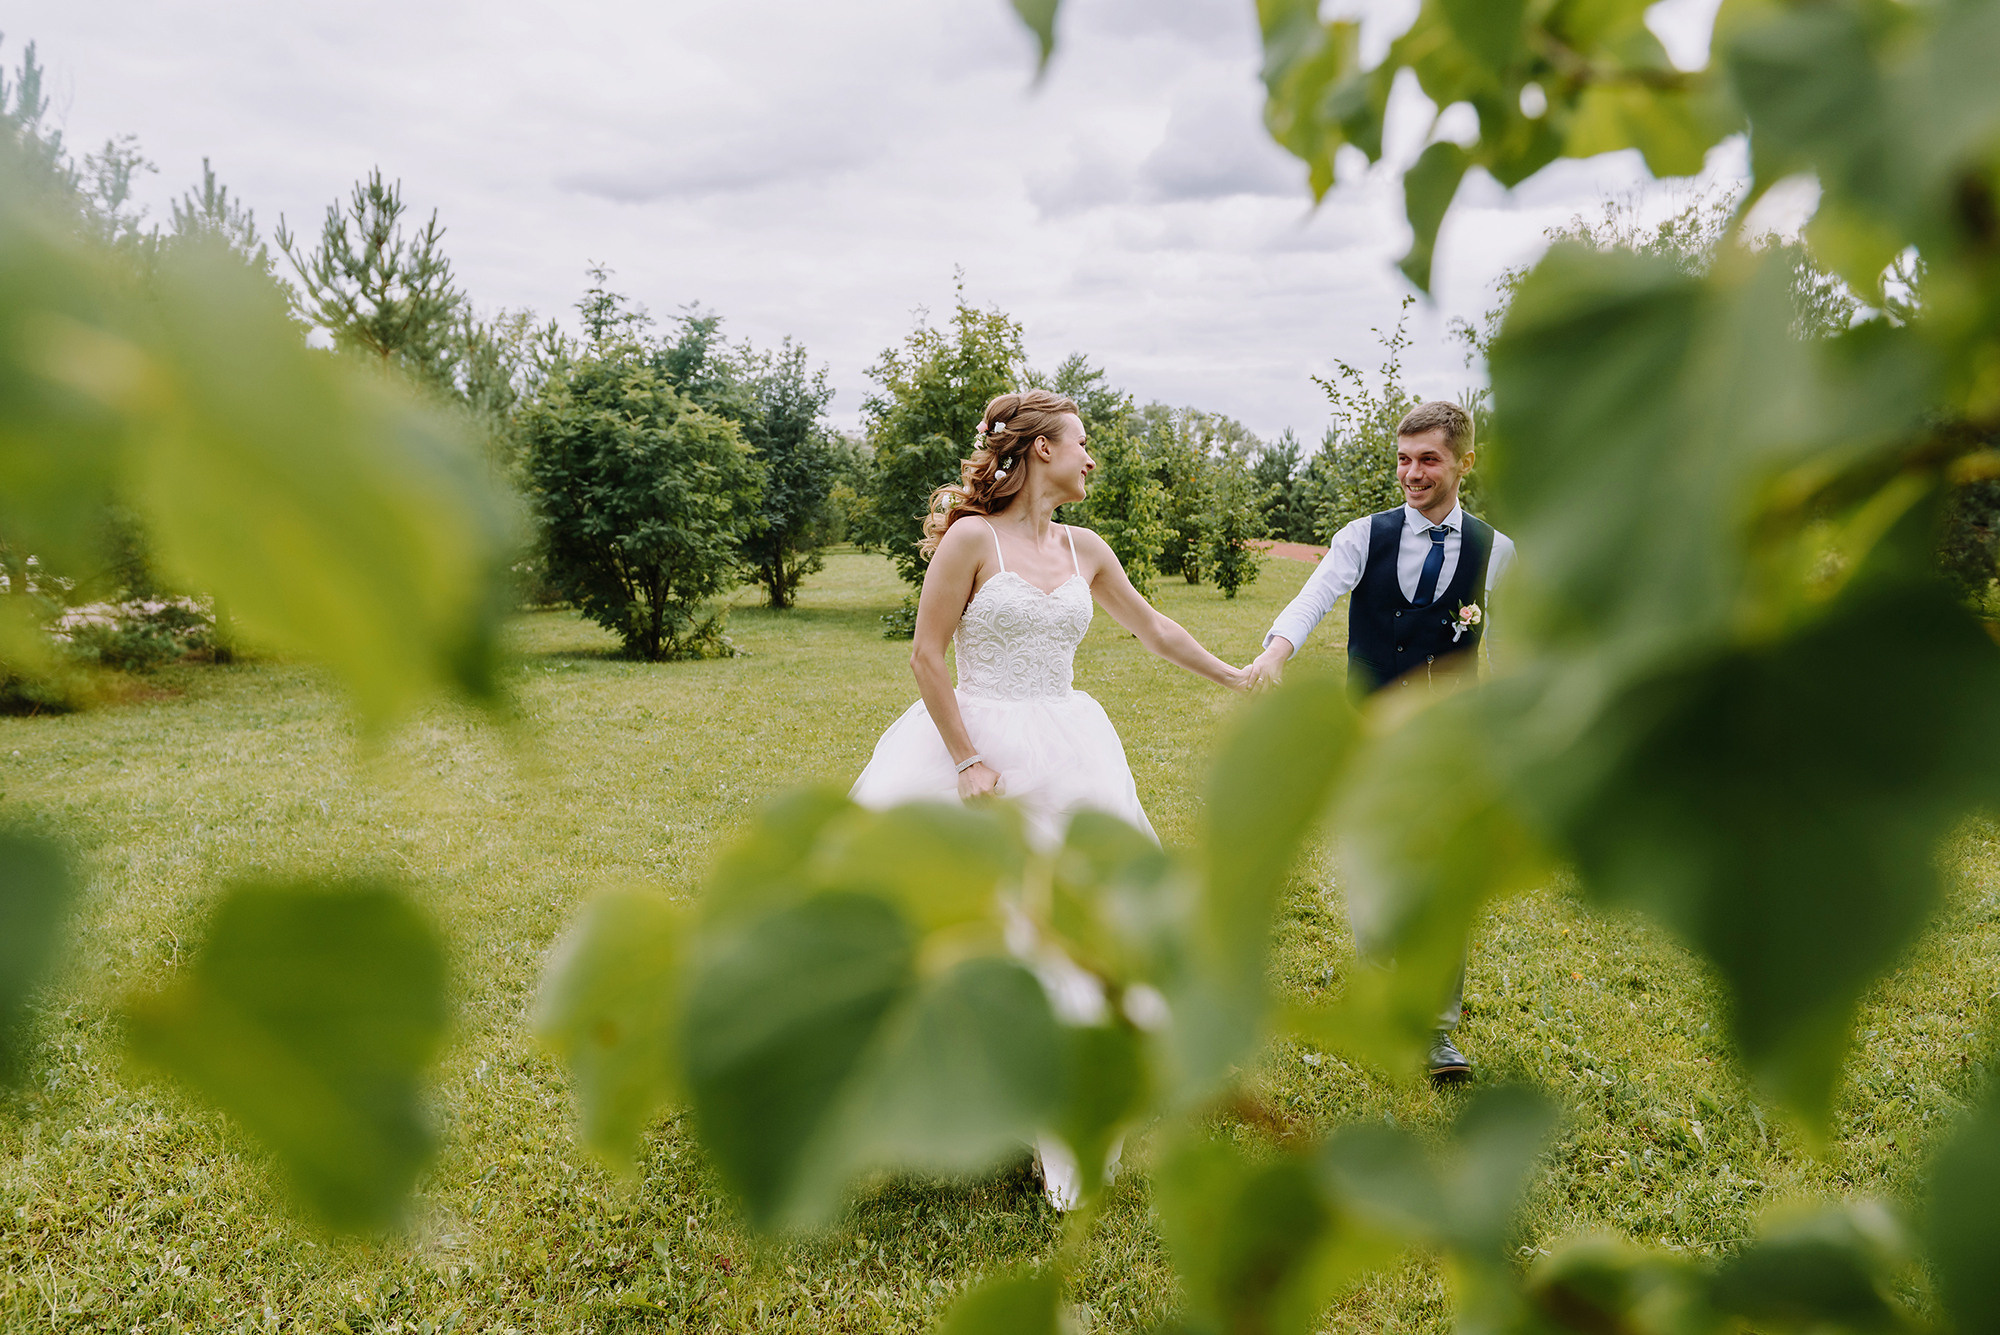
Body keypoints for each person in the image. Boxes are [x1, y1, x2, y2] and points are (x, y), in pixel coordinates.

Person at [850, 388, 1246, 1208]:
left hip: (1071, 748)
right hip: (977, 745)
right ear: (1040, 451)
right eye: (1081, 442)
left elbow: (1156, 629)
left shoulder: (1085, 548)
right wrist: (965, 760)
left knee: (1081, 924)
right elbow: (927, 655)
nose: (1091, 456)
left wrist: (1234, 676)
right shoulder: (970, 540)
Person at [1243, 400, 1515, 1085]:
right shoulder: (1364, 536)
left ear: (1463, 462)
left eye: (1428, 459)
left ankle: (1438, 1029)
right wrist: (1275, 654)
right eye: (1403, 458)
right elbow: (1313, 597)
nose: (1411, 473)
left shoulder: (1496, 550)